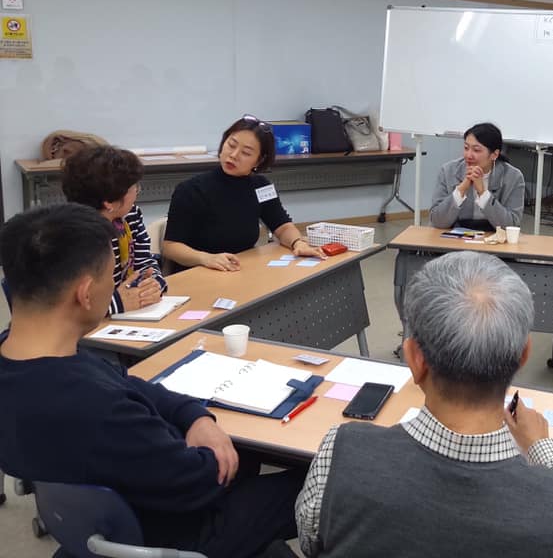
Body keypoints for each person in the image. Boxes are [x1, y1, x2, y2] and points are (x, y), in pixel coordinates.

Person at [0, 204, 305, 558]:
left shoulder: (31, 354)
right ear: (85, 293)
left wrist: (196, 417)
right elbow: (197, 483)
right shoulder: (99, 408)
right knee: (313, 481)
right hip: (172, 529)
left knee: (240, 452)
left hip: (119, 501)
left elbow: (126, 381)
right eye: (111, 277)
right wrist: (213, 451)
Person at [296, 251, 553, 558]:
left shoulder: (340, 450)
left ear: (414, 360)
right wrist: (543, 447)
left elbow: (311, 542)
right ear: (523, 355)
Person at [163, 115, 323, 271]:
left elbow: (282, 227)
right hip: (198, 272)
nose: (233, 155)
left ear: (259, 160)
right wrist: (206, 258)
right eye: (231, 145)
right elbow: (170, 246)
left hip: (239, 269)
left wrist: (297, 243)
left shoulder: (261, 186)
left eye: (246, 153)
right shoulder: (191, 189)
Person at [61, 145, 168, 315]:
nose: (137, 191)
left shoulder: (130, 215)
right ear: (109, 203)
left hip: (126, 315)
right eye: (134, 187)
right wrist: (117, 303)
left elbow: (145, 263)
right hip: (92, 324)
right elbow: (68, 308)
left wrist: (154, 284)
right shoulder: (71, 235)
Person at [429, 122, 525, 231]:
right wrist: (461, 189)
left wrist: (483, 193)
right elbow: (437, 221)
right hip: (455, 235)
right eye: (466, 148)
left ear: (494, 154)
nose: (468, 155)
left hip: (494, 236)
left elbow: (512, 225)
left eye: (476, 150)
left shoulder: (513, 177)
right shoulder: (448, 171)